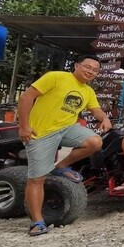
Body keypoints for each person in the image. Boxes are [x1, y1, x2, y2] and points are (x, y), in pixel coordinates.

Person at [17, 54, 112, 236]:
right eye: (87, 67)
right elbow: (26, 98)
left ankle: (61, 165)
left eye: (95, 70)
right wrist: (24, 126)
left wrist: (105, 118)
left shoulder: (88, 91)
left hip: (66, 129)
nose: (91, 71)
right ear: (76, 65)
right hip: (41, 133)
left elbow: (96, 110)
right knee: (37, 179)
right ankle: (37, 222)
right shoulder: (56, 77)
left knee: (95, 142)